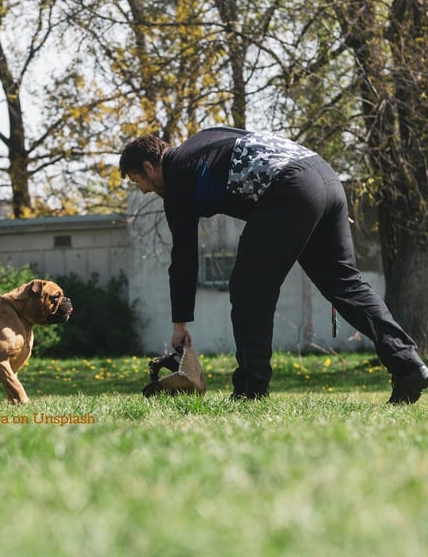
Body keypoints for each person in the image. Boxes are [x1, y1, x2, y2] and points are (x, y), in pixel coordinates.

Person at [119, 127, 428, 403]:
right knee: (345, 283)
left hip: (290, 188)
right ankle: (408, 366)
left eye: (139, 181)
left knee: (249, 289)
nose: (144, 190)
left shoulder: (178, 177)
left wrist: (180, 325)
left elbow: (184, 257)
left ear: (148, 167)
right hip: (326, 178)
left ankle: (250, 390)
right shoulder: (206, 138)